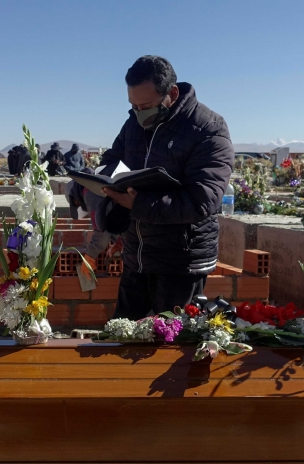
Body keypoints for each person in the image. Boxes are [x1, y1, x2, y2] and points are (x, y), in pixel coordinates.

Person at [97, 55, 234, 319]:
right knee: (124, 340)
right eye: (133, 105)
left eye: (146, 105)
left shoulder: (207, 128)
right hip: (137, 256)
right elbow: (111, 160)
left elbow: (202, 200)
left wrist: (138, 204)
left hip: (180, 264)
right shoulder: (133, 124)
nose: (138, 113)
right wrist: (103, 182)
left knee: (170, 347)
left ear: (171, 93)